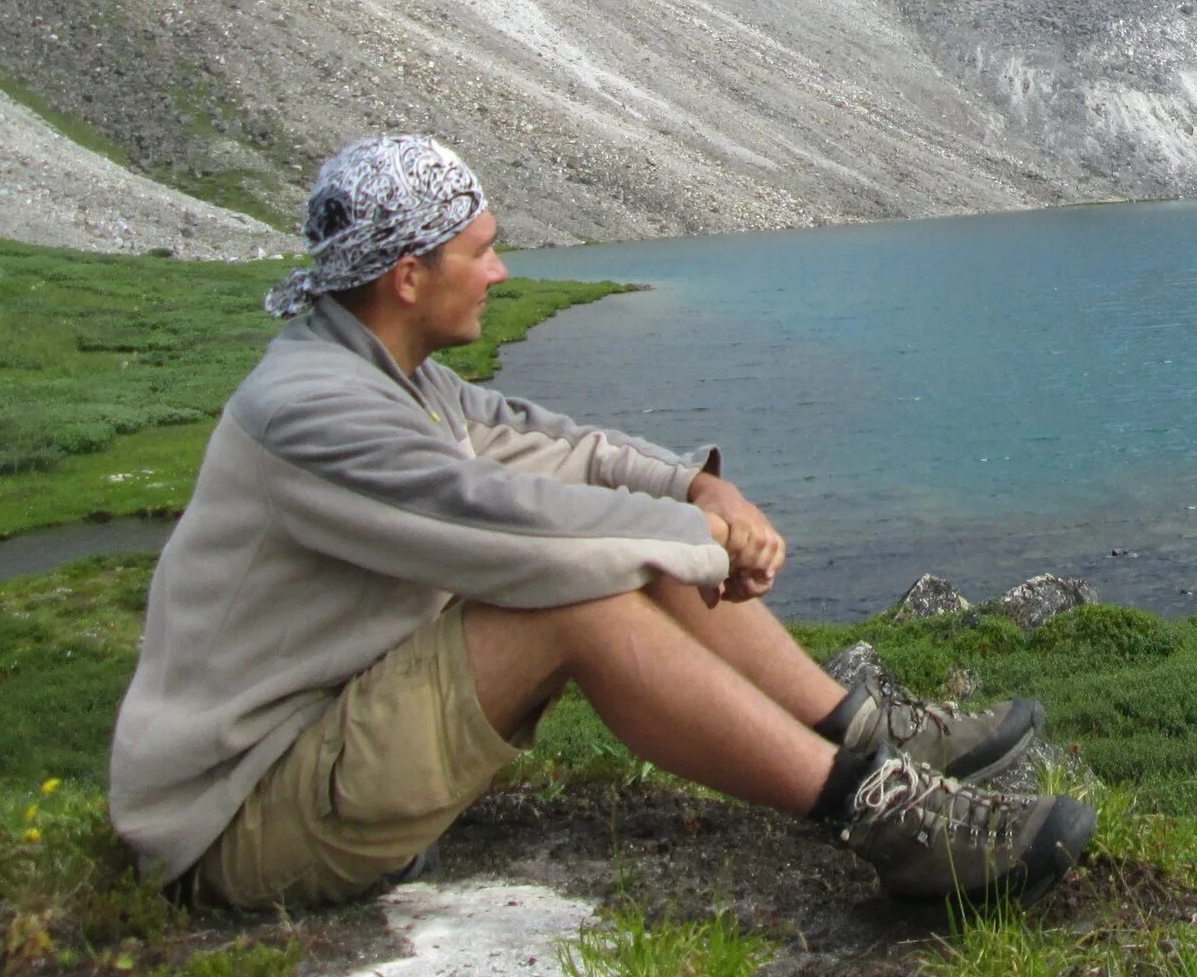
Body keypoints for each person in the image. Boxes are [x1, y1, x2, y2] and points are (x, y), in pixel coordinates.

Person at [108, 134, 1093, 909]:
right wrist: (694, 543)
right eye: (481, 252)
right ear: (408, 275)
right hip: (240, 826)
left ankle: (869, 736)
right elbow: (511, 527)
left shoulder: (401, 380)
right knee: (580, 595)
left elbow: (560, 449)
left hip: (312, 762)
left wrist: (701, 493)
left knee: (627, 533)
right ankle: (885, 820)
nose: (499, 274)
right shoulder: (313, 412)